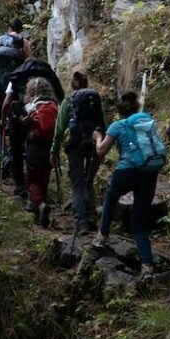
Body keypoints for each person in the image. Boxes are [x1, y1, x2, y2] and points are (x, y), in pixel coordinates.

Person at [93, 91, 166, 274]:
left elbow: (101, 151)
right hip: (149, 171)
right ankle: (147, 264)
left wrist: (97, 138)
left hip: (126, 170)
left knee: (111, 197)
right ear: (136, 108)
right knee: (139, 221)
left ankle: (102, 236)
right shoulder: (146, 122)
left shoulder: (118, 125)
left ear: (119, 111)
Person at [0, 57, 64, 196]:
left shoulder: (17, 74)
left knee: (16, 149)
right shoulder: (49, 74)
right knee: (42, 147)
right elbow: (61, 96)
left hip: (20, 115)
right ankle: (41, 189)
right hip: (42, 120)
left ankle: (20, 184)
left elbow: (7, 101)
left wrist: (3, 118)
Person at [53, 71, 106, 233]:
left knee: (77, 184)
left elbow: (60, 128)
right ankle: (91, 219)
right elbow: (102, 122)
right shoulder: (95, 99)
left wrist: (54, 150)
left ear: (72, 85)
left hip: (75, 144)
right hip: (94, 143)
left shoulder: (68, 101)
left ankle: (80, 222)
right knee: (89, 181)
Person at [20, 78, 59, 227]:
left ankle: (40, 204)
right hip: (49, 146)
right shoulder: (55, 106)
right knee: (44, 176)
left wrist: (24, 122)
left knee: (32, 179)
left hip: (34, 145)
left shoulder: (31, 106)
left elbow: (24, 123)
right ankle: (40, 203)